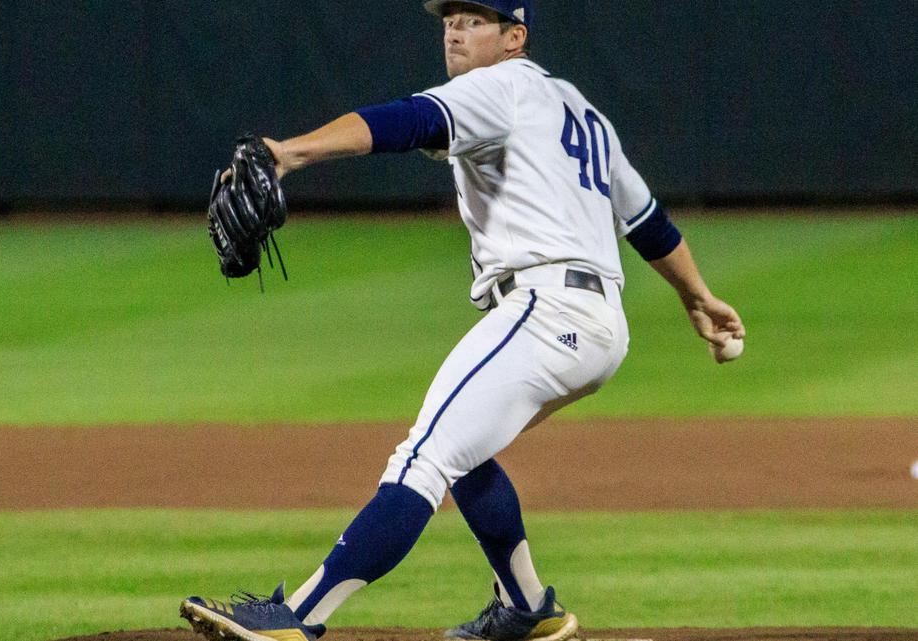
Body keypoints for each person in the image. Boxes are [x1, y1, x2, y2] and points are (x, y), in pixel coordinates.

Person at [180, 2, 746, 641]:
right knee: (466, 452)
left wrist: (289, 153)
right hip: (597, 324)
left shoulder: (499, 87)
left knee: (422, 458)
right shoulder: (579, 110)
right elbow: (645, 220)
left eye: (474, 19)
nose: (453, 28)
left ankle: (299, 616)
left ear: (514, 38)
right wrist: (698, 296)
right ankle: (527, 605)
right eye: (449, 19)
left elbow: (409, 120)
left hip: (546, 311)